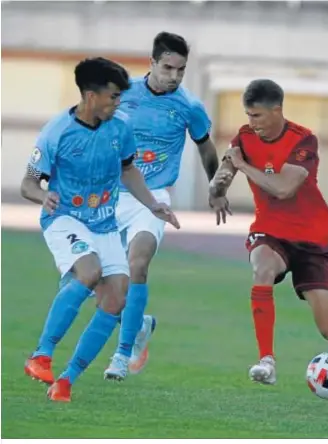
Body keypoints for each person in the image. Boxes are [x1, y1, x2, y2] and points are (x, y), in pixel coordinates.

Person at [21, 57, 179, 402]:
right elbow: (29, 184)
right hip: (65, 219)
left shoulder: (119, 129)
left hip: (104, 223)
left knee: (116, 296)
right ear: (90, 95)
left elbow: (128, 171)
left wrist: (152, 204)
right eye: (112, 97)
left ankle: (65, 380)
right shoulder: (56, 132)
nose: (117, 103)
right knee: (89, 271)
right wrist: (43, 196)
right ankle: (41, 355)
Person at [208, 79, 328, 408]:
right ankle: (266, 360)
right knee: (263, 268)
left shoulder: (303, 140)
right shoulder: (244, 137)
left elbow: (283, 188)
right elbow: (226, 168)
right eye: (248, 116)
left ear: (277, 111)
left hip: (311, 237)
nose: (251, 123)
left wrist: (242, 165)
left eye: (257, 116)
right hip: (270, 230)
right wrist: (219, 186)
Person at [101, 31, 223, 381]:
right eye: (168, 67)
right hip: (110, 194)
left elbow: (205, 147)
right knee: (103, 282)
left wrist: (216, 187)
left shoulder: (189, 106)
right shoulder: (122, 94)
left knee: (137, 264)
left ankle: (122, 356)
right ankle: (139, 325)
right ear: (151, 62)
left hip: (153, 198)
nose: (174, 76)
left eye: (181, 70)